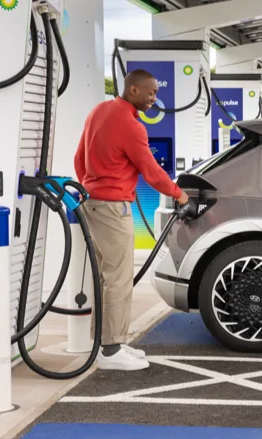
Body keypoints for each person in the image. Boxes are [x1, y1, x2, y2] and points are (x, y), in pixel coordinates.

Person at [74, 69, 189, 371]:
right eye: (150, 93)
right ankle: (111, 351)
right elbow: (151, 171)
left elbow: (78, 157)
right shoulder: (130, 125)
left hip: (93, 203)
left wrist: (91, 185)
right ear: (133, 89)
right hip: (113, 208)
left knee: (105, 277)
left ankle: (108, 343)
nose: (154, 99)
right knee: (118, 279)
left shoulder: (100, 111)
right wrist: (180, 195)